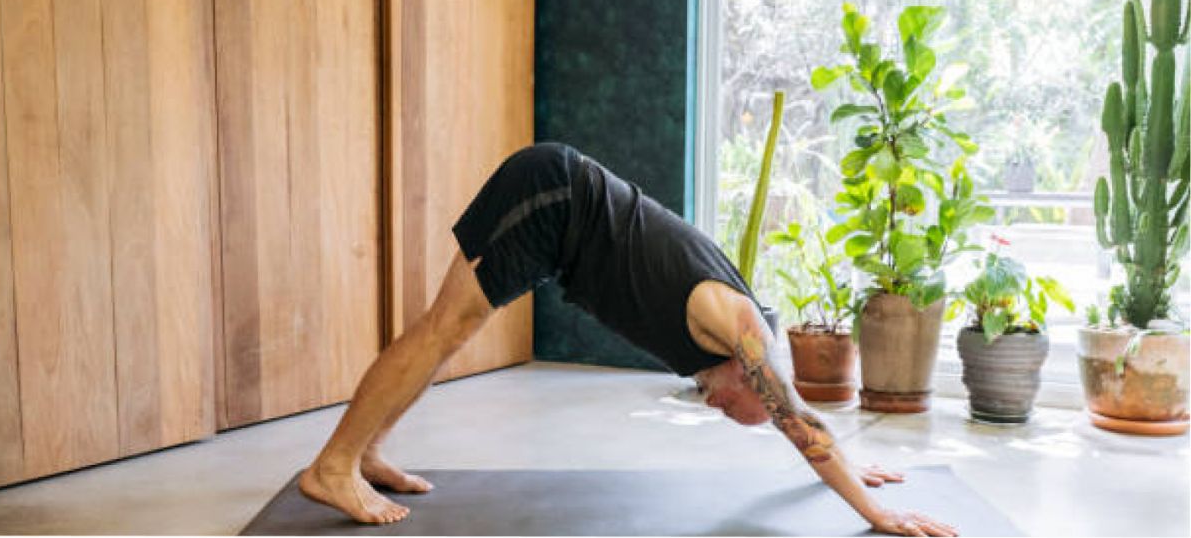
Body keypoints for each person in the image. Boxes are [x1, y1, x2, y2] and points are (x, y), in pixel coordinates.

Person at [299, 143, 958, 537]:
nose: (717, 407)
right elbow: (797, 421)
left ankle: (367, 452)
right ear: (751, 376)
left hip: (557, 214)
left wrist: (844, 462)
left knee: (448, 331)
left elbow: (796, 418)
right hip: (551, 197)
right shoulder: (736, 327)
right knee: (445, 328)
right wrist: (875, 513)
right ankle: (333, 467)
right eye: (737, 407)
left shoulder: (736, 348)